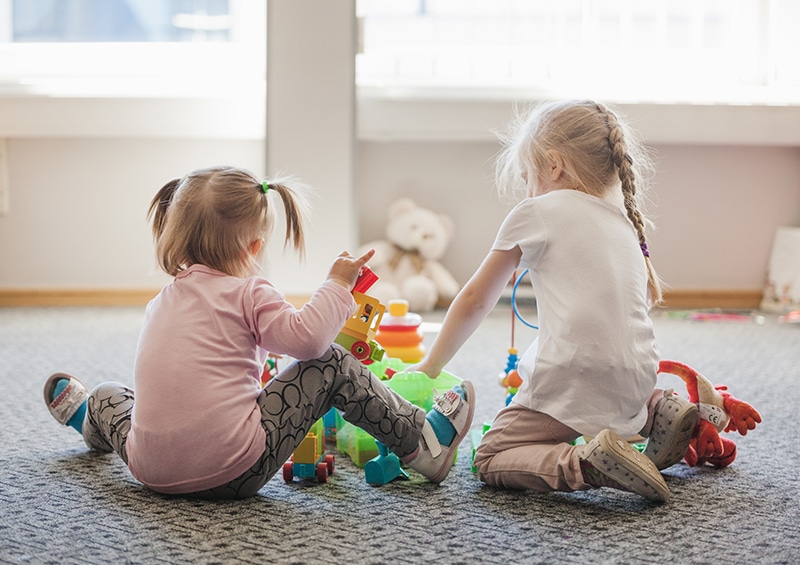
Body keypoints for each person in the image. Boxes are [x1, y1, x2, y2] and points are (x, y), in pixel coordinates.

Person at [43, 165, 474, 498]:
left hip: (150, 470)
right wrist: (337, 285)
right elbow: (309, 341)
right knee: (330, 363)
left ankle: (89, 425)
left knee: (106, 394)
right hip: (233, 472)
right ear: (254, 247)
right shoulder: (249, 292)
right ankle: (423, 444)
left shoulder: (161, 300)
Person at [411, 100, 698, 503]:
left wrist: (431, 364)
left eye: (528, 176)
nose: (528, 189)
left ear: (553, 165)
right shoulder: (625, 221)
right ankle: (655, 411)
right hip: (638, 374)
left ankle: (587, 463)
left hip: (573, 374)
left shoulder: (537, 211)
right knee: (611, 396)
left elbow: (477, 299)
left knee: (491, 457)